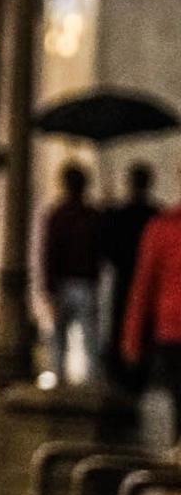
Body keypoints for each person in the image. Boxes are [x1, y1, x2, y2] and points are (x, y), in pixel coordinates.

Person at [122, 169, 181, 431]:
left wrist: (132, 338)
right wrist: (132, 337)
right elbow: (143, 287)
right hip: (171, 333)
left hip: (171, 331)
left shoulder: (162, 227)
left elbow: (143, 287)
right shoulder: (162, 226)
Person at [43, 162, 104, 382]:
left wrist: (48, 286)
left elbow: (50, 252)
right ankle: (91, 381)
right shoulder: (93, 216)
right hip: (87, 282)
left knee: (59, 337)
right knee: (90, 337)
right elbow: (101, 250)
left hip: (63, 282)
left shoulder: (58, 215)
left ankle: (59, 378)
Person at [102, 163, 160, 382]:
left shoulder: (120, 215)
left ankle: (122, 373)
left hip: (125, 279)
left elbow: (108, 250)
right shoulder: (154, 215)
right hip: (145, 281)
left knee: (122, 323)